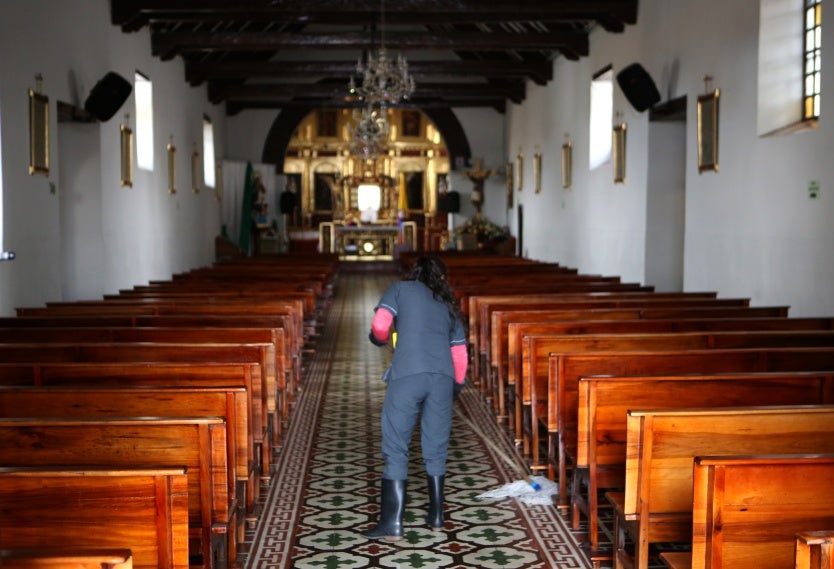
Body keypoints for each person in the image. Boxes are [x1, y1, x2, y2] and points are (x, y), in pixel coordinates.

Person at [361, 255, 468, 541]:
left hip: (408, 374)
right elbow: (459, 354)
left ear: (415, 273)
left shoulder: (399, 290)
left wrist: (379, 339)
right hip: (442, 379)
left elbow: (381, 324)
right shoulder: (449, 305)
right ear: (441, 278)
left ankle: (393, 524)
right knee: (436, 446)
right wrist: (455, 387)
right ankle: (436, 516)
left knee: (396, 445)